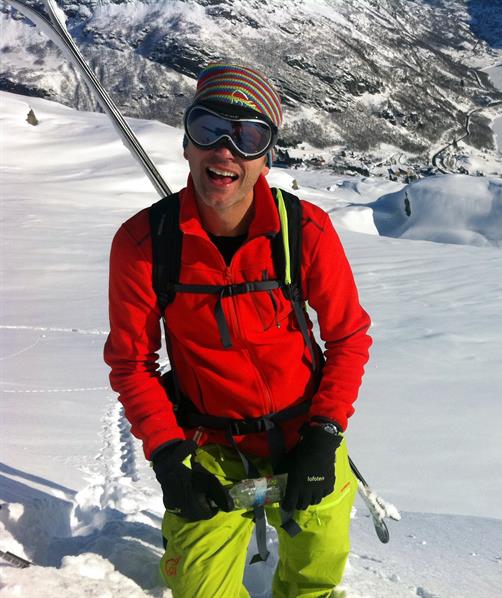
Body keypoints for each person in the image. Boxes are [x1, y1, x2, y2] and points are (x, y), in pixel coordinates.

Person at [104, 62, 372, 598]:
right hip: (209, 444)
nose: (225, 150)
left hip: (304, 433)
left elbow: (348, 338)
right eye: (208, 129)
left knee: (316, 576)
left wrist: (324, 435)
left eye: (249, 135)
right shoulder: (144, 245)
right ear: (186, 143)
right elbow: (131, 363)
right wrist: (168, 454)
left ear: (266, 157)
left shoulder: (305, 232)